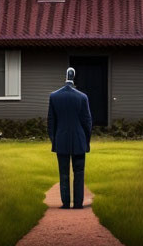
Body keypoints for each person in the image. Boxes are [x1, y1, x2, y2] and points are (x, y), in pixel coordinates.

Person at [47, 67, 93, 209]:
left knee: (63, 173)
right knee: (79, 173)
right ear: (74, 77)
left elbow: (51, 122)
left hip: (61, 140)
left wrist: (54, 139)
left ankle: (65, 203)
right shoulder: (82, 97)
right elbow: (87, 122)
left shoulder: (54, 96)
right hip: (79, 140)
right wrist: (86, 140)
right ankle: (78, 203)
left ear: (65, 76)